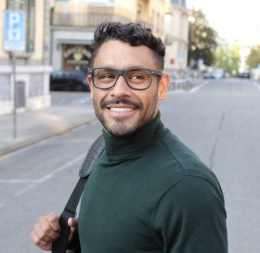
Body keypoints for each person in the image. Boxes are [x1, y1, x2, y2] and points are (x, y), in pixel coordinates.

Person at [31, 21, 227, 253]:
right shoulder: (101, 150)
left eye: (137, 77)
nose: (119, 90)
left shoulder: (189, 187)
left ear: (162, 87)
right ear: (92, 86)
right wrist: (71, 239)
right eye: (106, 76)